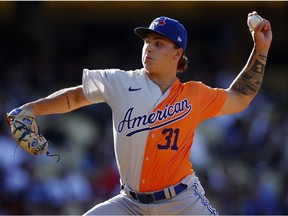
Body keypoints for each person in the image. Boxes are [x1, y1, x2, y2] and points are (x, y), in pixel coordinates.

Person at [7, 11, 272, 215]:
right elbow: (76, 96)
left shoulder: (195, 94)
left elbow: (240, 97)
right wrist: (31, 108)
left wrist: (260, 49)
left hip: (181, 202)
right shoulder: (120, 82)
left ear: (177, 54)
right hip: (129, 204)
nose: (149, 47)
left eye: (159, 43)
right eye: (147, 41)